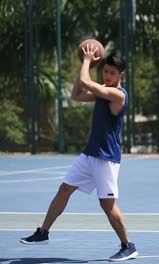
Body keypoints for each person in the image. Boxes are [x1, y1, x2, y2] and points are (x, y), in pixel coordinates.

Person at [19, 44, 138, 261]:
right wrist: (88, 67)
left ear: (121, 75)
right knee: (64, 189)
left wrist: (86, 62)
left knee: (107, 205)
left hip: (106, 158)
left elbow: (86, 83)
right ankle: (43, 232)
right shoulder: (102, 90)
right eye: (106, 71)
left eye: (113, 72)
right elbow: (76, 94)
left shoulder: (117, 95)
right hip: (90, 154)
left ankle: (128, 246)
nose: (108, 75)